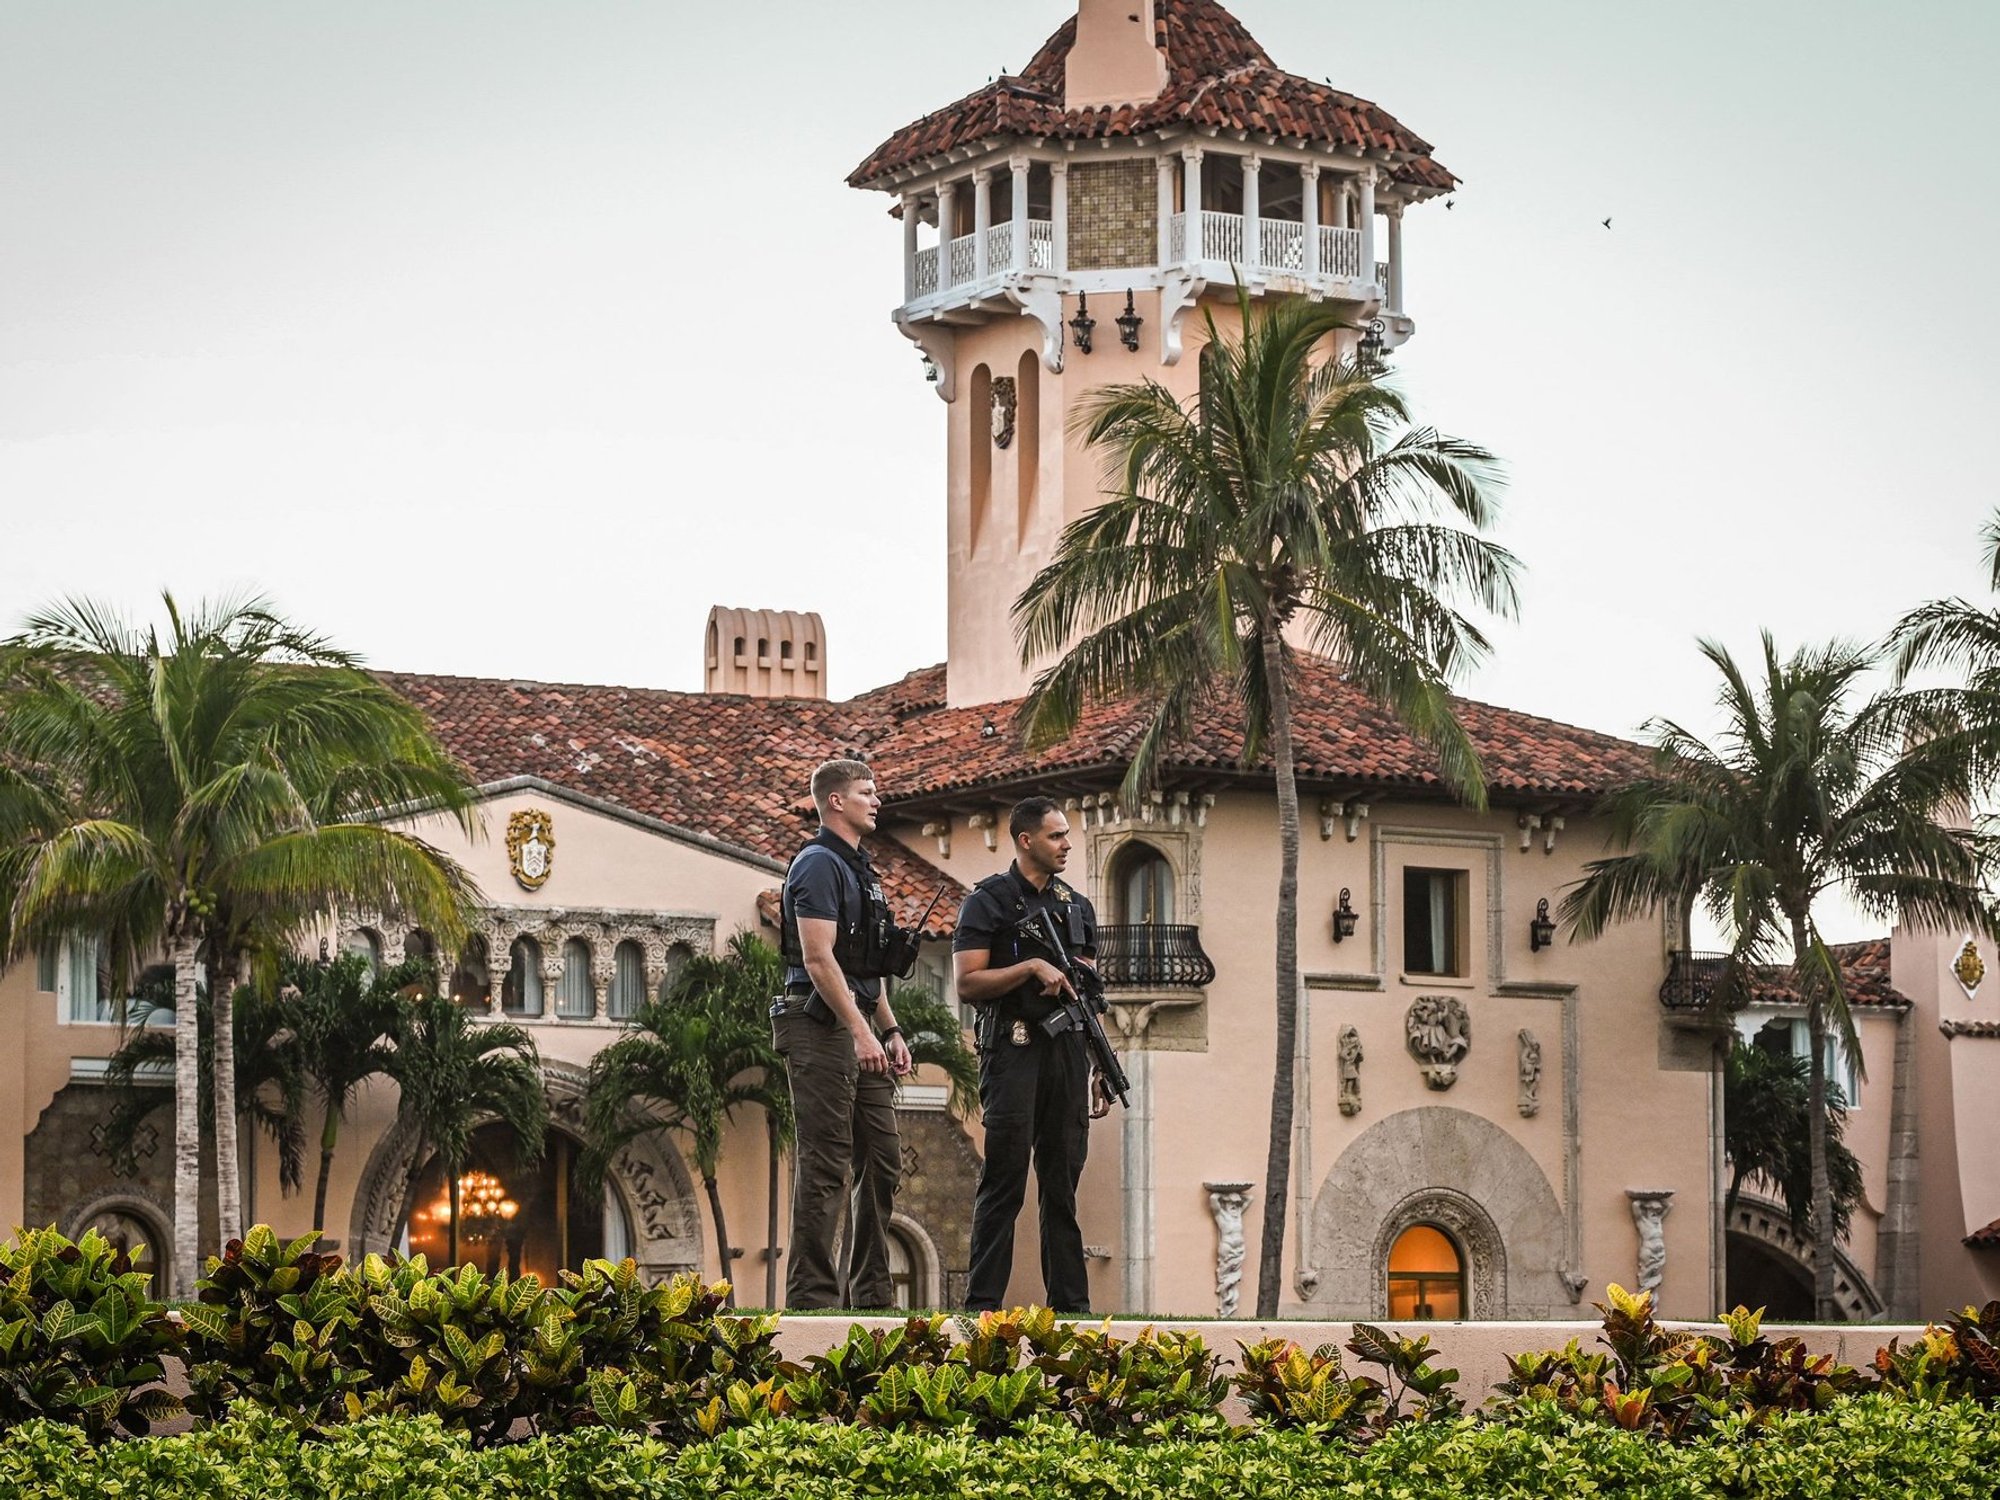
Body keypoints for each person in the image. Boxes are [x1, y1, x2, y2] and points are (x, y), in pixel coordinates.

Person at [953, 795, 1110, 1313]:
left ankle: (1071, 1308)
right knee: (1005, 1180)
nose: (1067, 844)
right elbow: (967, 982)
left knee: (1062, 1185)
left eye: (1066, 834)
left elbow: (1087, 994)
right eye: (1055, 835)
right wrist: (1029, 968)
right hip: (1012, 1049)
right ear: (1026, 840)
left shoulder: (1076, 906)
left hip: (1068, 1051)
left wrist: (1098, 1067)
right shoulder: (988, 902)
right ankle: (982, 1305)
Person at [775, 758, 914, 1309]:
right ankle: (811, 1298)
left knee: (882, 1158)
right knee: (827, 1161)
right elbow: (818, 958)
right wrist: (860, 1032)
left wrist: (890, 1028)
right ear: (835, 801)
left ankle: (872, 1296)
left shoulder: (862, 872)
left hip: (859, 1025)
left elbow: (863, 967)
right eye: (866, 792)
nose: (877, 801)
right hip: (819, 1025)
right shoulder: (816, 865)